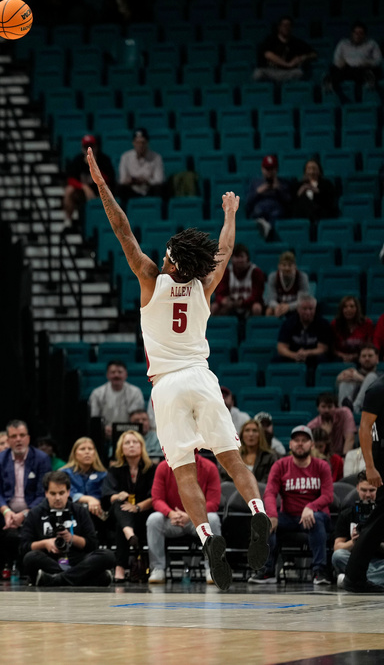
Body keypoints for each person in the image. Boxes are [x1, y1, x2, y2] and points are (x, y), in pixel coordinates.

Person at [87, 148, 271, 591]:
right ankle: (259, 514)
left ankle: (206, 535)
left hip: (167, 385)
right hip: (203, 377)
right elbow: (224, 249)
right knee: (231, 459)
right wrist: (230, 213)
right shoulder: (206, 284)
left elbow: (123, 230)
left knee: (184, 469)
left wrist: (101, 186)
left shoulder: (151, 277)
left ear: (170, 258)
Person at [249, 426, 333, 585]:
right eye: (296, 440)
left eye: (304, 441)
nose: (300, 444)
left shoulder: (321, 466)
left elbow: (328, 495)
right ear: (290, 444)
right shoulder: (280, 465)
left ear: (312, 445)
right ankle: (267, 571)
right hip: (288, 516)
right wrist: (272, 515)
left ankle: (319, 572)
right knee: (265, 523)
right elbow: (270, 493)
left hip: (315, 516)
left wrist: (311, 507)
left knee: (316, 520)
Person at [20, 470, 115, 587]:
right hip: (50, 560)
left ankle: (53, 580)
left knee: (107, 555)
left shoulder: (80, 511)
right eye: (53, 493)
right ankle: (87, 579)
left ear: (68, 492)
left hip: (78, 559)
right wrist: (45, 543)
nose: (58, 498)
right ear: (46, 493)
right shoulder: (35, 513)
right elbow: (24, 547)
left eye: (61, 493)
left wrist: (72, 538)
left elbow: (92, 544)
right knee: (30, 558)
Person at [0, 420, 53, 574]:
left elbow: (43, 494)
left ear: (28, 438)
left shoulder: (41, 458)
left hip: (32, 511)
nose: (18, 439)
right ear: (8, 440)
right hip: (6, 512)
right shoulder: (1, 459)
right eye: (14, 436)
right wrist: (7, 512)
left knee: (45, 508)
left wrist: (24, 514)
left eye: (22, 435)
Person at [145, 456, 222, 585]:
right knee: (154, 519)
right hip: (172, 519)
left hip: (197, 520)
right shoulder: (163, 467)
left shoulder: (210, 467)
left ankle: (213, 568)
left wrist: (191, 515)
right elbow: (157, 499)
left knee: (213, 519)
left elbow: (214, 502)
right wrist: (170, 513)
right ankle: (158, 568)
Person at [343, 376, 384, 591]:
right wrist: (370, 467)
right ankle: (354, 576)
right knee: (379, 519)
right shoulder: (377, 388)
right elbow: (364, 428)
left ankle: (354, 576)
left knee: (378, 520)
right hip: (382, 458)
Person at [102, 430, 155, 583]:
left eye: (135, 442)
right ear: (121, 448)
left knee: (122, 523)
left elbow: (155, 496)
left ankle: (120, 567)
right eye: (127, 443)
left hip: (143, 514)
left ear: (141, 446)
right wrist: (117, 496)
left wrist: (137, 507)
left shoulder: (151, 468)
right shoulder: (115, 469)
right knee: (119, 506)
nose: (131, 445)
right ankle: (129, 532)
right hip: (119, 513)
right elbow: (106, 495)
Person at [333, 471, 382, 585]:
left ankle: (352, 580)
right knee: (338, 556)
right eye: (364, 490)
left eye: (372, 490)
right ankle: (371, 579)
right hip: (357, 560)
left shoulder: (381, 514)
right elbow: (337, 547)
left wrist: (374, 541)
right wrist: (355, 542)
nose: (368, 495)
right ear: (357, 489)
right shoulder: (347, 514)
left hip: (380, 561)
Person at [63, 134, 115, 229]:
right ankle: (68, 219)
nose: (88, 150)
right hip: (83, 193)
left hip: (101, 192)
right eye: (86, 147)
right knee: (69, 190)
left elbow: (109, 180)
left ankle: (107, 221)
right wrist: (84, 187)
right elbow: (70, 179)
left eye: (91, 147)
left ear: (96, 147)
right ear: (82, 148)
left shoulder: (104, 160)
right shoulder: (78, 160)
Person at [88, 360, 145, 441]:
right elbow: (94, 418)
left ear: (126, 375)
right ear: (107, 375)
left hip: (128, 434)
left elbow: (136, 419)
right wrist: (103, 428)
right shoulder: (97, 393)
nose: (116, 375)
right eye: (113, 372)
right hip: (103, 434)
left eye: (120, 372)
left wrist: (119, 430)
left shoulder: (135, 392)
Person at [327, 21, 383, 100]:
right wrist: (339, 63)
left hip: (363, 68)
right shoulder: (343, 43)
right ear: (352, 34)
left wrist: (369, 63)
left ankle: (369, 78)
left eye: (360, 33)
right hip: (347, 68)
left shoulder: (371, 44)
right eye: (355, 33)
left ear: (364, 35)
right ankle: (329, 81)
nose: (358, 35)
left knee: (373, 70)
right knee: (334, 68)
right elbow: (336, 59)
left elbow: (378, 60)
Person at [253, 16, 317, 83]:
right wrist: (287, 64)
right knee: (258, 73)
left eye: (289, 25)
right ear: (279, 27)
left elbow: (314, 54)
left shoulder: (296, 42)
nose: (286, 27)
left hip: (288, 72)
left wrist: (302, 58)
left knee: (299, 72)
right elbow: (268, 54)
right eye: (284, 25)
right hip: (271, 71)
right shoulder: (270, 40)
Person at [274, 295, 332, 367]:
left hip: (313, 356)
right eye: (304, 309)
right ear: (298, 309)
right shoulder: (289, 322)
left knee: (322, 359)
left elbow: (323, 348)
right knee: (277, 359)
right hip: (293, 355)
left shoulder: (322, 323)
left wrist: (307, 353)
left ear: (315, 309)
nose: (308, 312)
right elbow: (281, 347)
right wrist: (294, 355)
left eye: (311, 309)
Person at [60, 437, 107, 525]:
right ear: (75, 454)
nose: (87, 452)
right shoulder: (64, 473)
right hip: (71, 514)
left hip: (98, 513)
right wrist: (89, 499)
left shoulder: (103, 474)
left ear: (95, 453)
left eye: (90, 449)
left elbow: (105, 494)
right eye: (82, 449)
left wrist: (95, 501)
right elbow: (66, 493)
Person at [211, 244, 265, 318]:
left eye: (242, 257)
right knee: (214, 307)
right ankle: (213, 329)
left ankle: (255, 328)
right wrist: (223, 301)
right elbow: (219, 293)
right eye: (236, 257)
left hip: (249, 304)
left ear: (247, 258)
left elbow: (257, 296)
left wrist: (242, 303)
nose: (239, 260)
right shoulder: (226, 272)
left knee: (257, 308)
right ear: (232, 258)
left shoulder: (256, 272)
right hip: (231, 304)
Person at [244, 155, 290, 237]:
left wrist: (278, 189)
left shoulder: (283, 183)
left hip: (277, 215)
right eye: (267, 169)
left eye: (272, 169)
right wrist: (258, 192)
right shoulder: (255, 183)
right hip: (259, 214)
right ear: (262, 169)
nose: (269, 172)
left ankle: (268, 229)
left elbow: (289, 203)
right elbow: (247, 202)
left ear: (276, 170)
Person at [221, 419, 278, 483]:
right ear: (242, 435)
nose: (251, 434)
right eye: (247, 430)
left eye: (255, 431)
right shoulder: (233, 457)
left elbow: (270, 480)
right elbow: (225, 479)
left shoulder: (270, 457)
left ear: (260, 435)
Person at [116, 128, 164, 202]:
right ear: (133, 143)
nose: (140, 145)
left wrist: (147, 181)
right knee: (120, 188)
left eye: (143, 142)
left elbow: (159, 179)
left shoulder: (156, 157)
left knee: (160, 188)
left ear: (147, 143)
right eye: (137, 142)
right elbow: (122, 179)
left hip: (149, 188)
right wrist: (132, 181)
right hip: (132, 189)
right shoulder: (125, 157)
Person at [307, 392, 357, 457]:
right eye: (323, 407)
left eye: (330, 407)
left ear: (336, 407)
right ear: (318, 408)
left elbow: (350, 439)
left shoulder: (344, 414)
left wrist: (345, 459)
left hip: (343, 456)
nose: (327, 410)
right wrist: (324, 434)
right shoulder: (311, 426)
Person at [264, 251, 311, 318]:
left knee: (303, 310)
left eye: (290, 265)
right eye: (284, 265)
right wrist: (278, 307)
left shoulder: (302, 277)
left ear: (295, 266)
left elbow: (302, 300)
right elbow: (271, 299)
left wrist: (288, 307)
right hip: (279, 306)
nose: (287, 268)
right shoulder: (273, 277)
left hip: (294, 307)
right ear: (279, 266)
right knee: (269, 311)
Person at [337, 344, 380, 415]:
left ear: (377, 359)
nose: (367, 358)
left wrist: (360, 378)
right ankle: (343, 411)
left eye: (370, 356)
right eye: (364, 356)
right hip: (349, 405)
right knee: (347, 380)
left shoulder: (381, 375)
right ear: (359, 359)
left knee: (371, 376)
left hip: (372, 409)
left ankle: (354, 408)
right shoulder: (353, 374)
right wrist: (339, 378)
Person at [332, 296, 375, 364]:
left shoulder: (367, 323)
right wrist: (343, 356)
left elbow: (369, 344)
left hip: (361, 356)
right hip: (340, 357)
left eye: (352, 306)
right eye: (345, 307)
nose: (348, 309)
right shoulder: (335, 324)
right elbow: (332, 348)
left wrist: (355, 356)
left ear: (357, 308)